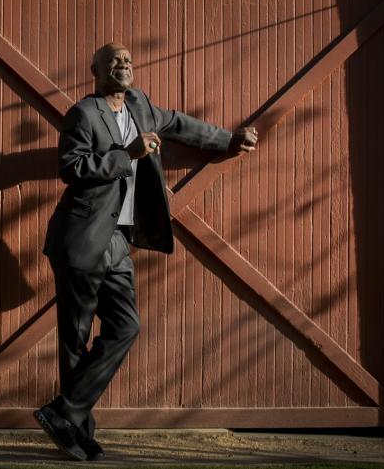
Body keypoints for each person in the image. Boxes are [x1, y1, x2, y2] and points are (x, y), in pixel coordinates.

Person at [34, 42, 258, 461]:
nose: (123, 65)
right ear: (95, 71)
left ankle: (62, 413)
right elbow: (72, 167)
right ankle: (75, 433)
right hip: (81, 237)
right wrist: (127, 155)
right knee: (75, 339)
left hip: (118, 240)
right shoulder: (84, 113)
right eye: (113, 61)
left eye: (128, 61)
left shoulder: (140, 104)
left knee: (126, 326)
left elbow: (180, 124)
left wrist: (229, 139)